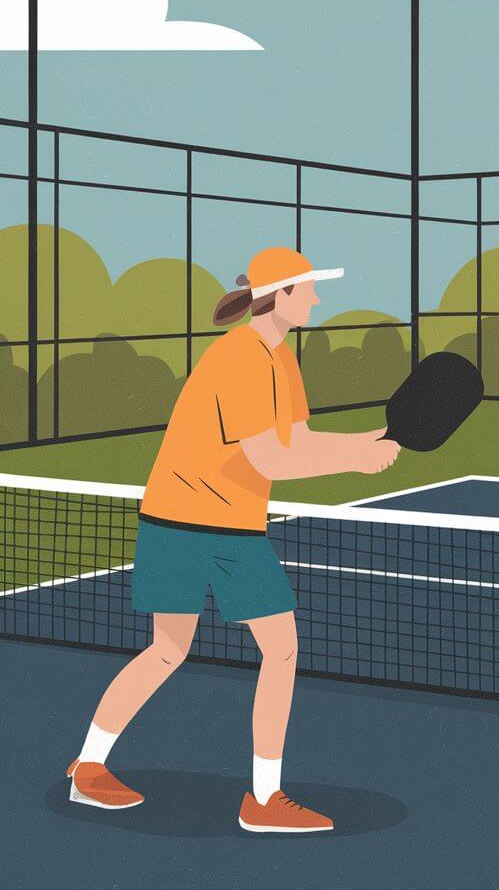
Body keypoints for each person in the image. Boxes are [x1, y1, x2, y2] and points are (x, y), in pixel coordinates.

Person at [66, 247, 401, 833]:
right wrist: (356, 460)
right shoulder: (238, 358)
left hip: (234, 523)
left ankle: (263, 799)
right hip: (179, 518)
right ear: (282, 295)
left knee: (279, 647)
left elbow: (298, 439)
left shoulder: (282, 360)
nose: (317, 299)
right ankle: (89, 766)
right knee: (169, 649)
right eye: (310, 290)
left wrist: (366, 439)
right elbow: (270, 455)